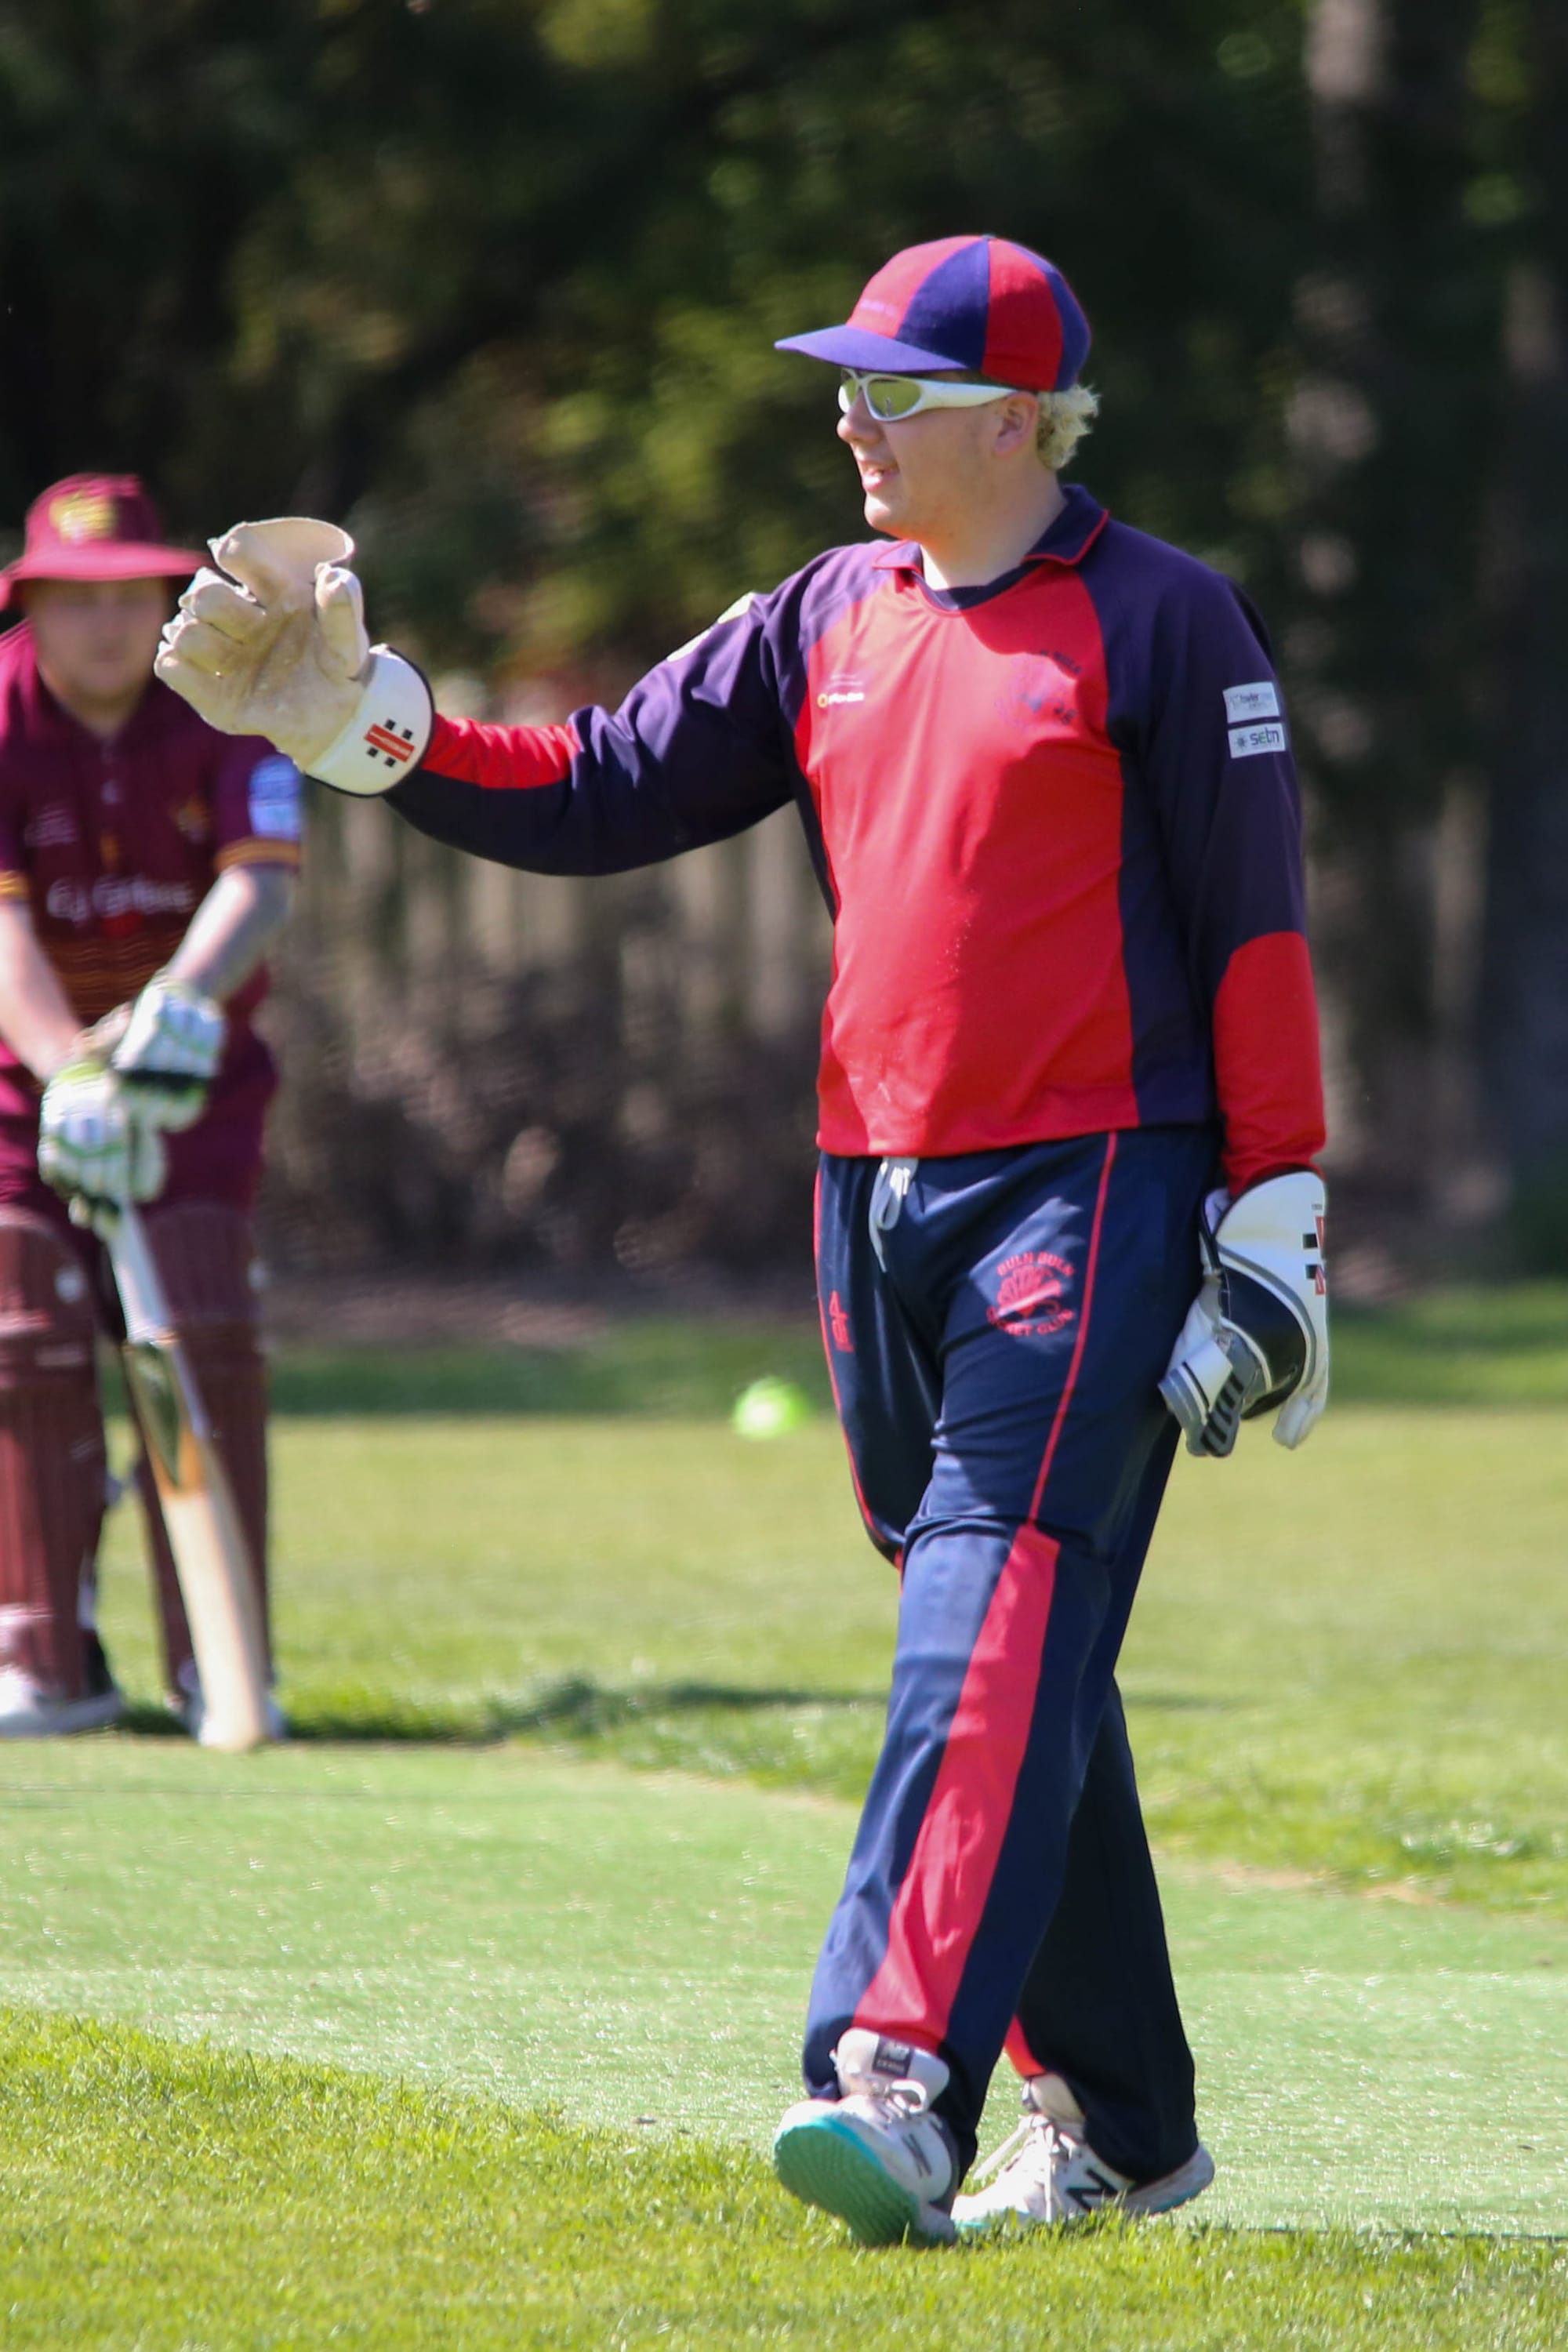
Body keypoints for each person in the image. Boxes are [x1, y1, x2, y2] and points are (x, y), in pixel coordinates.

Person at [155, 234, 1328, 2240]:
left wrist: (1276, 1221)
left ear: (1021, 417)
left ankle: (891, 2076)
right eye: (846, 386)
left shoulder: (1165, 621)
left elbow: (1258, 929)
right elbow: (604, 787)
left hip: (1097, 1180)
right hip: (871, 1189)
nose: (851, 421)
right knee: (1018, 1650)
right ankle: (1125, 2123)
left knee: (995, 1602)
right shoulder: (824, 615)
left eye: (895, 391)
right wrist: (376, 724)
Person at [0, 473, 301, 1740]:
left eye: (129, 596)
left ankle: (217, 1665)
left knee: (203, 1326)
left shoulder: (226, 688)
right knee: (25, 1326)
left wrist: (178, 1007)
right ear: (32, 608)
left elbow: (263, 886)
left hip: (192, 1082)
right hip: (23, 1085)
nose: (105, 627)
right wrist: (71, 1066)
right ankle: (44, 1659)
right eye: (74, 601)